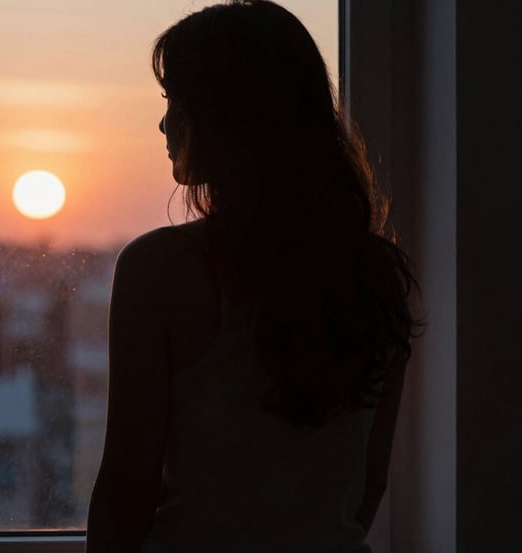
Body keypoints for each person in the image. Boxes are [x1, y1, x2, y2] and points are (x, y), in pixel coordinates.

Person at [86, 1, 420, 552]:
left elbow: (127, 487)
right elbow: (369, 483)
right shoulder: (379, 276)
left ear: (223, 117)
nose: (165, 123)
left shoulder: (160, 271)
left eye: (176, 102)